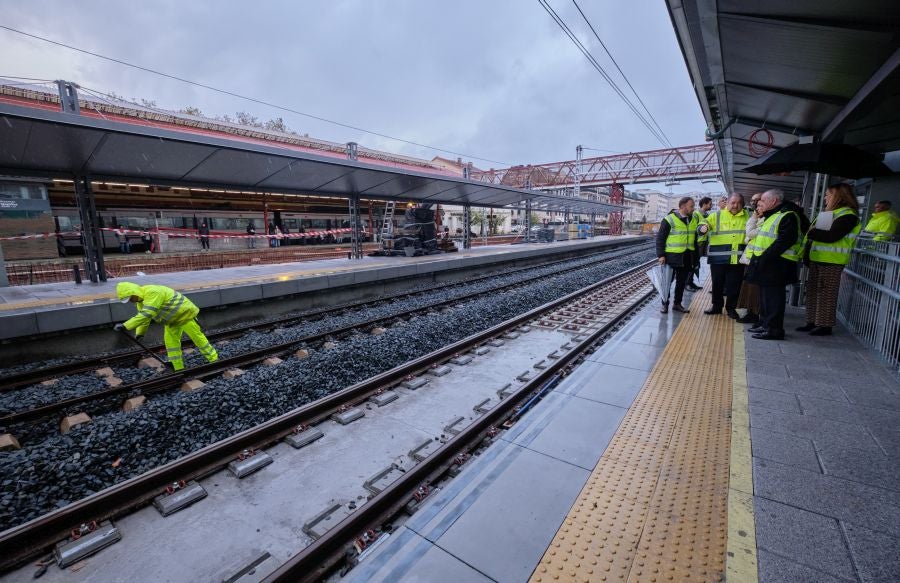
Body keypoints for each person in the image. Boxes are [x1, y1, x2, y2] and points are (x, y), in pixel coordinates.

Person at [798, 184, 861, 336]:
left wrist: (812, 232)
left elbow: (832, 236)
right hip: (817, 258)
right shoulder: (831, 213)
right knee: (813, 291)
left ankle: (824, 325)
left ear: (838, 196)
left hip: (832, 261)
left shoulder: (848, 215)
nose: (825, 197)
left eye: (828, 194)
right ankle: (812, 321)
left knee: (826, 292)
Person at [114, 282, 218, 371]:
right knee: (171, 344)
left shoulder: (152, 292)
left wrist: (125, 325)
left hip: (185, 315)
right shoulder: (140, 302)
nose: (131, 301)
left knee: (198, 339)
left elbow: (147, 313)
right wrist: (140, 333)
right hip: (172, 321)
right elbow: (144, 319)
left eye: (131, 298)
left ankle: (214, 360)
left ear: (134, 292)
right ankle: (178, 368)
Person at [744, 189, 803, 340]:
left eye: (763, 200)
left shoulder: (787, 215)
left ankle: (774, 329)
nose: (759, 203)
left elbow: (784, 241)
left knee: (773, 298)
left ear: (774, 201)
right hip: (768, 263)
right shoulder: (774, 215)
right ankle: (765, 324)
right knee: (766, 297)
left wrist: (765, 256)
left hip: (777, 264)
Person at [702, 193, 749, 318]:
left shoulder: (748, 217)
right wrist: (703, 228)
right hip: (717, 258)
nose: (735, 205)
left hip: (737, 259)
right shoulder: (716, 215)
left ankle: (731, 308)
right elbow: (704, 224)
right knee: (717, 284)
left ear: (743, 205)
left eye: (738, 203)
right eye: (733, 202)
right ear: (727, 203)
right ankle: (716, 307)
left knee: (734, 285)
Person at [656, 196, 699, 313]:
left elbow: (695, 238)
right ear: (683, 206)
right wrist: (661, 255)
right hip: (671, 257)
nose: (693, 209)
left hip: (686, 256)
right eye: (691, 206)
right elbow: (660, 238)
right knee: (667, 282)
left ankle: (677, 304)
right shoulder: (669, 219)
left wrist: (696, 257)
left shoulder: (693, 219)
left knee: (681, 282)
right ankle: (665, 304)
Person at [736, 193, 763, 324]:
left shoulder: (764, 219)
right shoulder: (760, 218)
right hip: (751, 259)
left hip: (757, 259)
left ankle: (754, 314)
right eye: (753, 202)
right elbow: (748, 237)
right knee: (748, 288)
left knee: (754, 289)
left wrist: (753, 218)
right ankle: (750, 312)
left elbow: (750, 233)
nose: (755, 206)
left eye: (758, 204)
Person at [688, 197, 713, 291]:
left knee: (697, 263)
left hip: (704, 242)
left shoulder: (706, 215)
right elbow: (694, 228)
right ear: (704, 204)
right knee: (693, 263)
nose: (711, 206)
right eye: (710, 204)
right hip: (698, 242)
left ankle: (691, 282)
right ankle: (688, 283)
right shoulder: (696, 214)